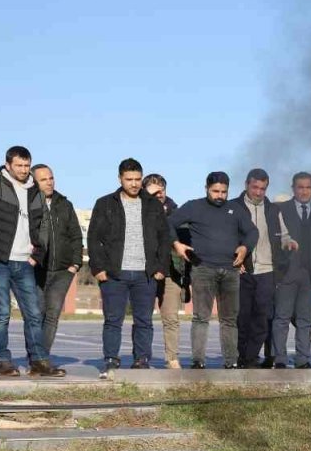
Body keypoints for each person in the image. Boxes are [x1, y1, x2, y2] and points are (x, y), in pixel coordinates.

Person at [0, 146, 64, 377]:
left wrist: (37, 255)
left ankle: (39, 362)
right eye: (19, 165)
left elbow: (43, 225)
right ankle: (3, 362)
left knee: (34, 313)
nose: (24, 170)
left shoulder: (35, 191)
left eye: (27, 166)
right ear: (8, 165)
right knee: (2, 313)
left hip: (25, 263)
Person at [87, 158, 171, 378]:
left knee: (144, 321)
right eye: (129, 179)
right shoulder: (105, 203)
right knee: (113, 320)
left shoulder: (153, 205)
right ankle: (111, 360)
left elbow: (164, 237)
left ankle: (141, 360)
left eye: (137, 179)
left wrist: (161, 267)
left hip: (146, 274)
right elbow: (94, 238)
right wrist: (98, 268)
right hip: (114, 274)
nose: (134, 184)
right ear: (120, 179)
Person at [168, 171, 258, 369]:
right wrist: (177, 245)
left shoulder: (236, 209)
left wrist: (245, 248)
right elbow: (168, 223)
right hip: (203, 269)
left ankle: (231, 362)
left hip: (231, 270)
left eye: (224, 192)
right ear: (206, 189)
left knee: (229, 320)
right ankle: (198, 361)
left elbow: (253, 232)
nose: (220, 196)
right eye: (215, 191)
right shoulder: (193, 206)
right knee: (201, 317)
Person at [272, 172, 311, 369]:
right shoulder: (280, 210)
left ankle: (303, 360)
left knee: (305, 321)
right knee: (281, 319)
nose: (304, 191)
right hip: (286, 275)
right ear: (293, 188)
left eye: (308, 187)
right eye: (300, 187)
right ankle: (280, 360)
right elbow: (274, 242)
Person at [233, 169, 288, 368]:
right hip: (242, 271)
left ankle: (250, 358)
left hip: (267, 271)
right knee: (242, 318)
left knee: (261, 319)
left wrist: (288, 243)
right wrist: (233, 260)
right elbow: (226, 236)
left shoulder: (273, 210)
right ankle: (241, 357)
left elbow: (284, 235)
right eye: (255, 187)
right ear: (246, 184)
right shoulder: (233, 207)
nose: (258, 192)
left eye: (262, 189)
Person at [31, 164, 82, 357]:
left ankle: (42, 358)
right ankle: (34, 356)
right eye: (43, 179)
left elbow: (76, 235)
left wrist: (75, 264)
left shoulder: (65, 204)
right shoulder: (28, 205)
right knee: (37, 314)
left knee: (52, 316)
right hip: (37, 270)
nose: (49, 182)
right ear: (34, 182)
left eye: (51, 178)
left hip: (62, 272)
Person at [142, 174, 190, 369]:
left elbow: (185, 242)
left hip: (171, 272)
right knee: (143, 318)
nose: (160, 194)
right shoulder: (139, 210)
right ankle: (141, 357)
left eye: (162, 190)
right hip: (145, 271)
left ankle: (172, 358)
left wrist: (187, 278)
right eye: (154, 191)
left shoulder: (177, 213)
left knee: (171, 318)